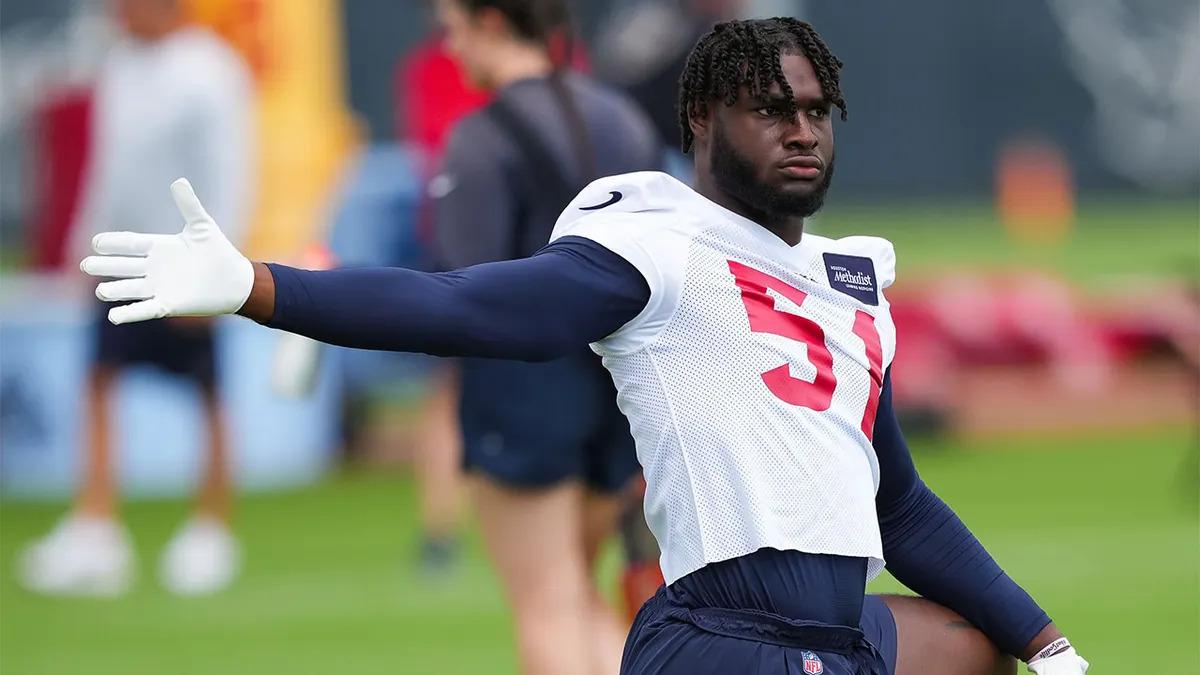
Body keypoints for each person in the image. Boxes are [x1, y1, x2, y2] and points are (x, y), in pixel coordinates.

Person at [79, 16, 1089, 675]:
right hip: (725, 636)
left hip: (834, 626)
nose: (801, 131)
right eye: (771, 110)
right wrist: (260, 288)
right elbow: (465, 305)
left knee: (974, 647)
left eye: (817, 111)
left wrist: (1047, 642)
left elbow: (896, 501)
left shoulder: (850, 276)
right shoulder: (658, 237)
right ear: (703, 121)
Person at [424, 1, 659, 671]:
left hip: (523, 393)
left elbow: (460, 288)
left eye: (454, 30)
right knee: (577, 593)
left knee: (547, 605)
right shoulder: (621, 118)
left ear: (492, 22)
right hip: (618, 386)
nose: (450, 49)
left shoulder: (480, 136)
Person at [23, 0, 254, 597]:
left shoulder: (212, 69)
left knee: (208, 392)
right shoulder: (120, 64)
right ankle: (96, 529)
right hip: (122, 257)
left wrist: (219, 267)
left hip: (188, 260)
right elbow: (109, 166)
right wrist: (85, 243)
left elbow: (231, 172)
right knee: (99, 380)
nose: (117, 12)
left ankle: (210, 532)